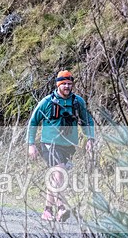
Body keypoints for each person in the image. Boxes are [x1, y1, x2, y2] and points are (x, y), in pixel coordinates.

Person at [27, 70, 95, 221]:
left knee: (56, 178)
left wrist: (90, 138)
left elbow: (87, 121)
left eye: (69, 84)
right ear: (58, 85)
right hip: (49, 144)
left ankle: (47, 210)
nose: (67, 87)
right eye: (64, 84)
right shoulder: (47, 102)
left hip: (69, 145)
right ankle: (62, 207)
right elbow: (32, 122)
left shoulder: (78, 102)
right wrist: (31, 144)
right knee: (59, 173)